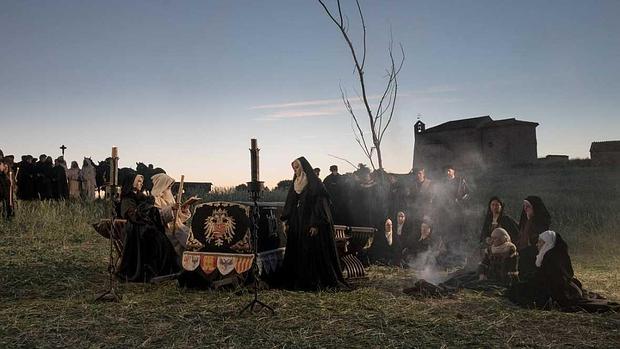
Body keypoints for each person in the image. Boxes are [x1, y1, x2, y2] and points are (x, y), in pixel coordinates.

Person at [508, 230, 619, 312]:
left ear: (548, 244)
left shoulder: (550, 257)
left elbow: (549, 278)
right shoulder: (552, 253)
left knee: (517, 291)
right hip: (557, 285)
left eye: (540, 242)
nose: (537, 245)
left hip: (555, 291)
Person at [279, 157, 345, 291]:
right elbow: (290, 202)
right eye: (293, 168)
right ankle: (298, 281)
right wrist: (286, 220)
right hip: (297, 223)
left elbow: (321, 204)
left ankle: (313, 281)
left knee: (311, 251)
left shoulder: (315, 183)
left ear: (303, 167)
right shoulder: (296, 183)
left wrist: (316, 224)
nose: (295, 170)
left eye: (297, 167)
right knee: (298, 251)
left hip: (311, 222)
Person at [116, 172, 179, 282]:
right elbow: (132, 215)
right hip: (136, 228)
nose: (141, 183)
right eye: (138, 181)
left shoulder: (143, 197)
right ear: (132, 183)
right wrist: (145, 211)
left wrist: (151, 211)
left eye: (142, 181)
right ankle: (150, 271)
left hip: (145, 225)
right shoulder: (127, 198)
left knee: (162, 240)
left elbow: (150, 210)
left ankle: (165, 271)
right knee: (155, 239)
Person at [150, 173, 202, 257]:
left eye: (170, 186)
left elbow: (178, 218)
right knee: (185, 240)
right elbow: (157, 216)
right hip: (167, 230)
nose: (169, 189)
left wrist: (184, 209)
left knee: (194, 236)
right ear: (162, 185)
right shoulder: (154, 199)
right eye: (168, 186)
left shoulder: (170, 198)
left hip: (178, 227)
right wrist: (171, 208)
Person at [516, 196, 551, 280]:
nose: (525, 209)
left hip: (535, 250)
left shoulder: (541, 221)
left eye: (528, 206)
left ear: (535, 207)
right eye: (524, 206)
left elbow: (539, 237)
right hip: (523, 250)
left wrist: (531, 220)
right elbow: (521, 234)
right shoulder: (524, 219)